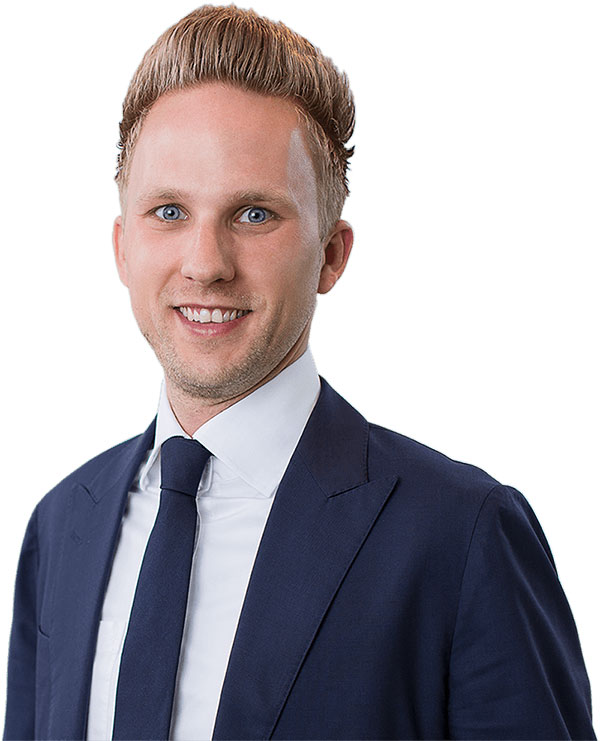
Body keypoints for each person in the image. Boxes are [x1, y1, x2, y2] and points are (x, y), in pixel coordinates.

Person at [3, 5, 595, 740]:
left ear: (331, 255)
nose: (205, 264)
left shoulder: (461, 537)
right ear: (122, 247)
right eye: (169, 211)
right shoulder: (62, 526)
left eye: (254, 214)